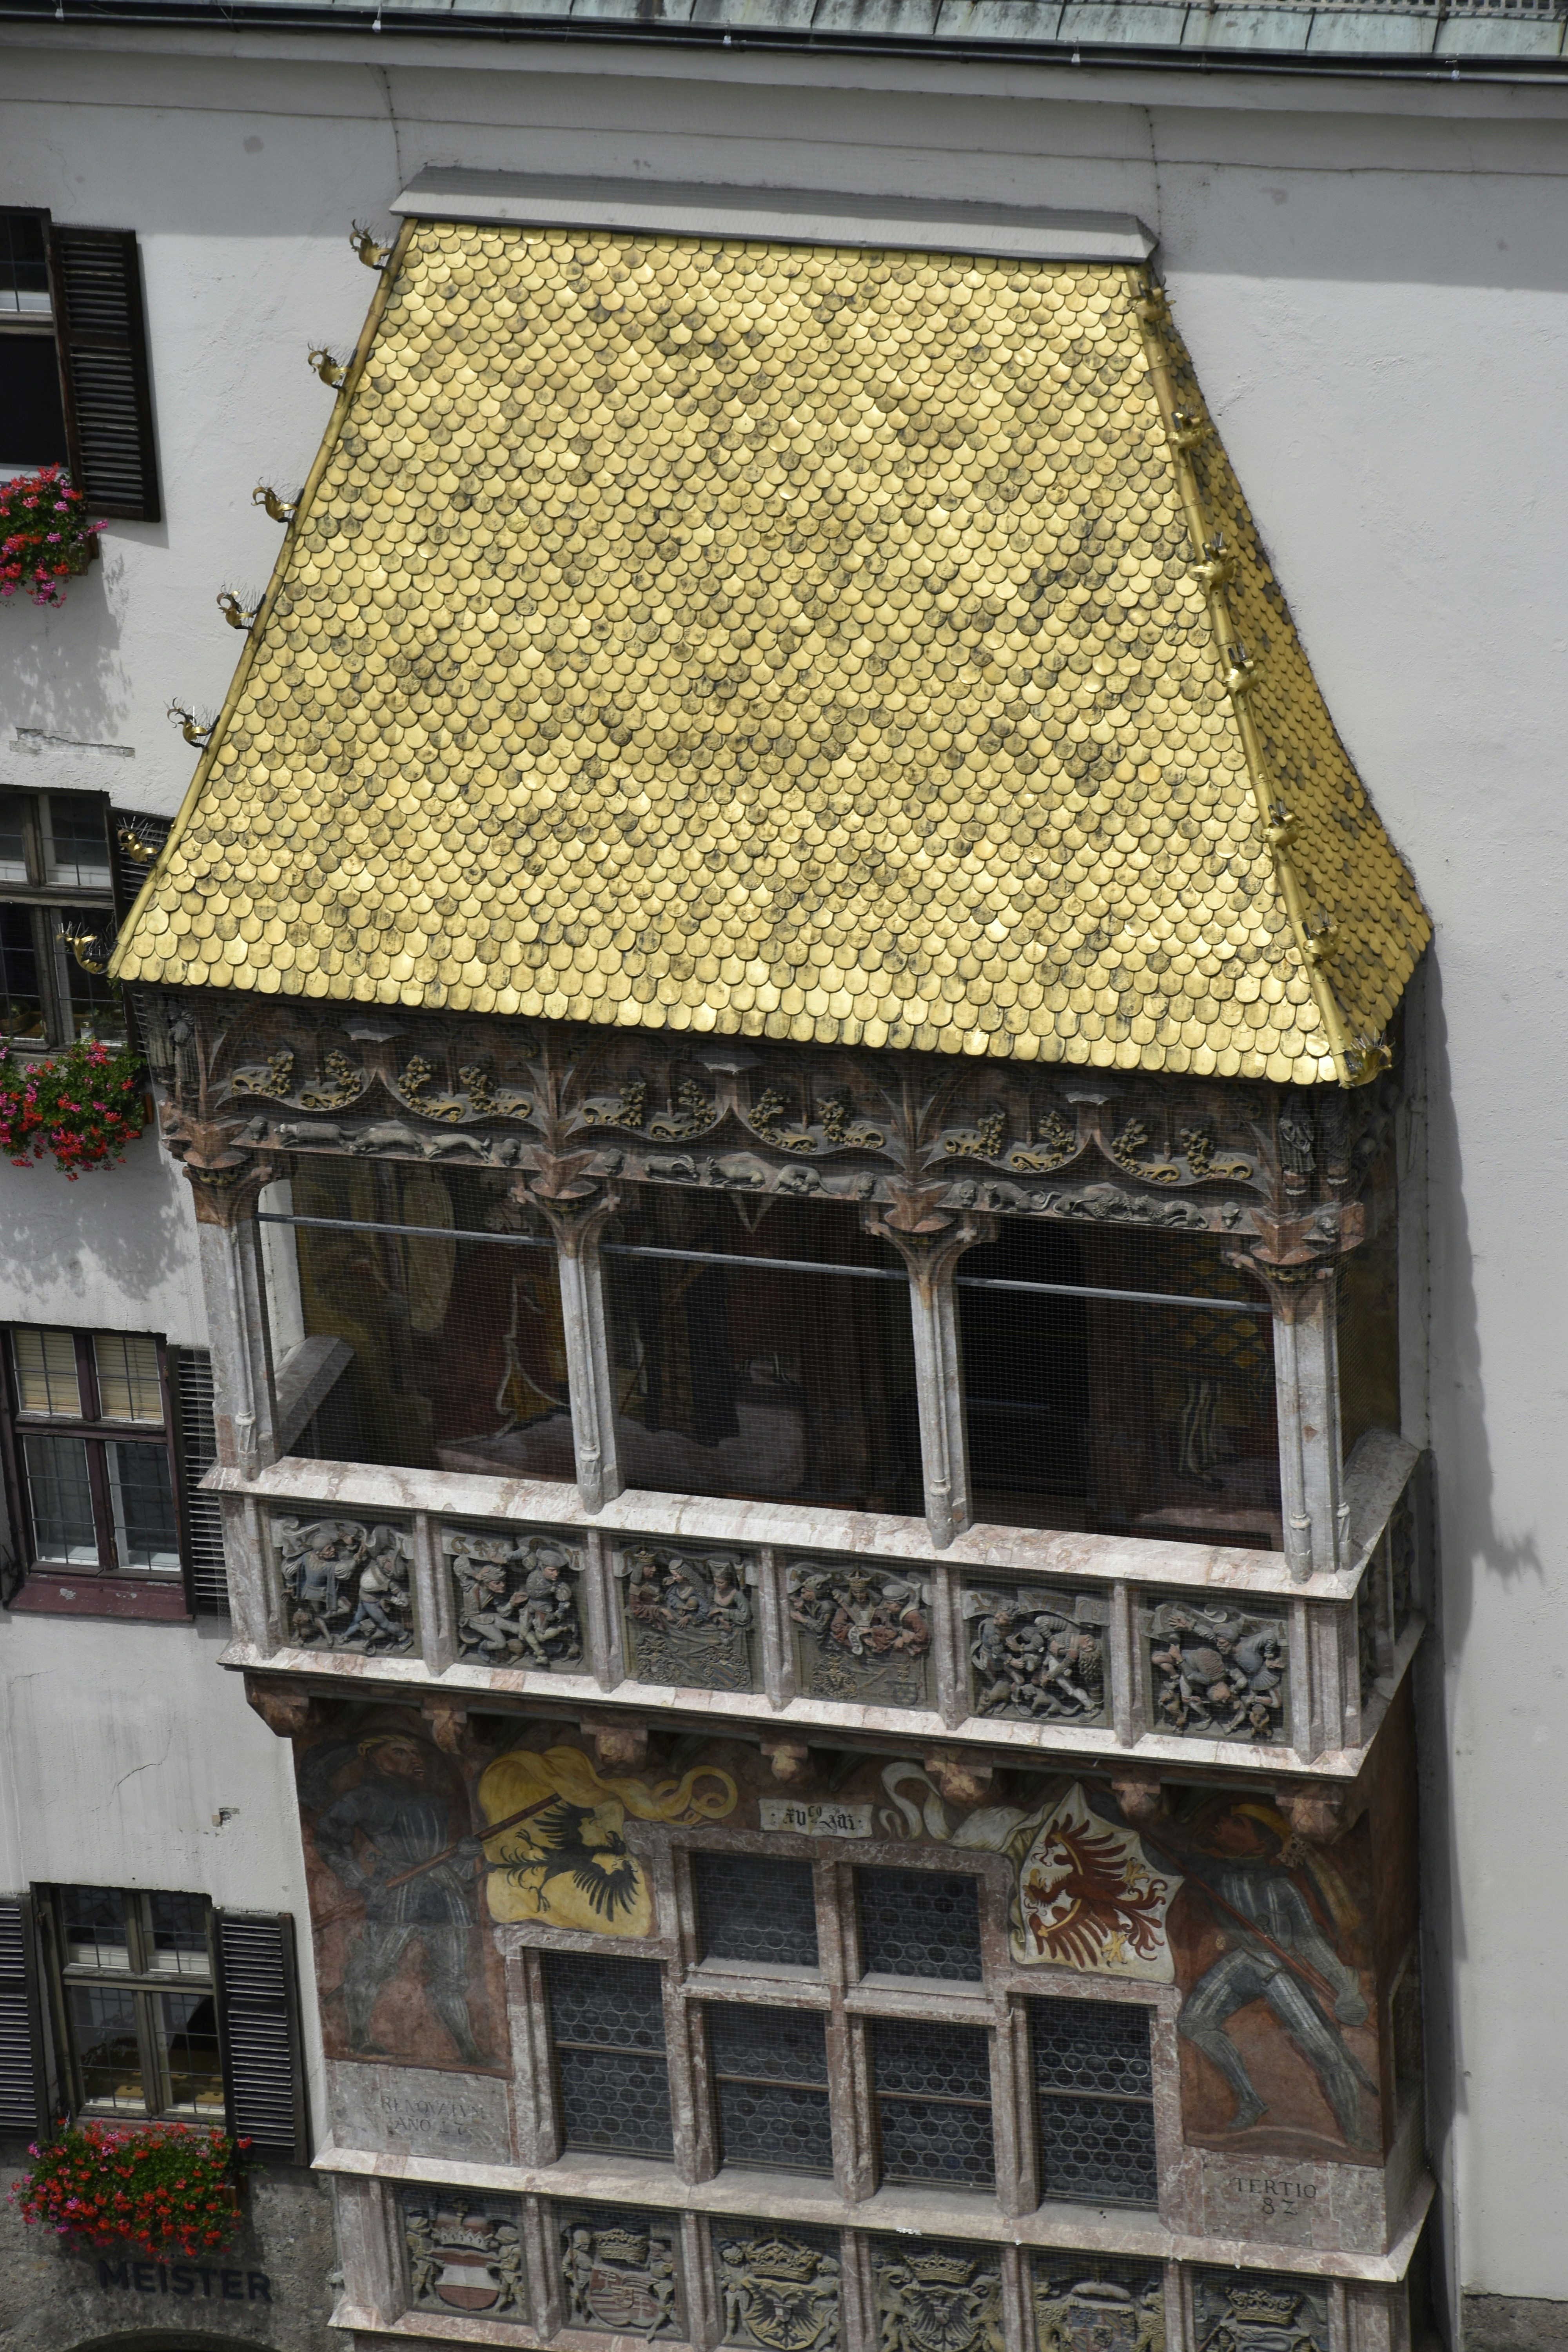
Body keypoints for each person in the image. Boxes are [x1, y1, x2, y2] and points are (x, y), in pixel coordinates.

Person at [1175, 1807, 1372, 2146]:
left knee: (1327, 2055)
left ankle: (1354, 2136)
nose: (1221, 1822)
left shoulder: (1282, 1888)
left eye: (1237, 1822)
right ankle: (1251, 2099)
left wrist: (1344, 1988)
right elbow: (1165, 1856)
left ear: (1261, 1841)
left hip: (1279, 1968)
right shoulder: (1217, 1873)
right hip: (1244, 1960)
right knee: (1193, 2022)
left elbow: (1309, 1941)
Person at [312, 1732, 485, 2063]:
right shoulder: (366, 1797)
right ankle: (360, 2038)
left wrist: (464, 1855)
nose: (415, 1760)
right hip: (395, 1891)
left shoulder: (433, 1799)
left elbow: (448, 1861)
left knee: (452, 1979)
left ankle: (470, 2050)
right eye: (400, 1752)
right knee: (373, 1968)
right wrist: (360, 1882)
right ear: (375, 1756)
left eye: (416, 1753)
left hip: (442, 1892)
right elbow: (328, 1836)